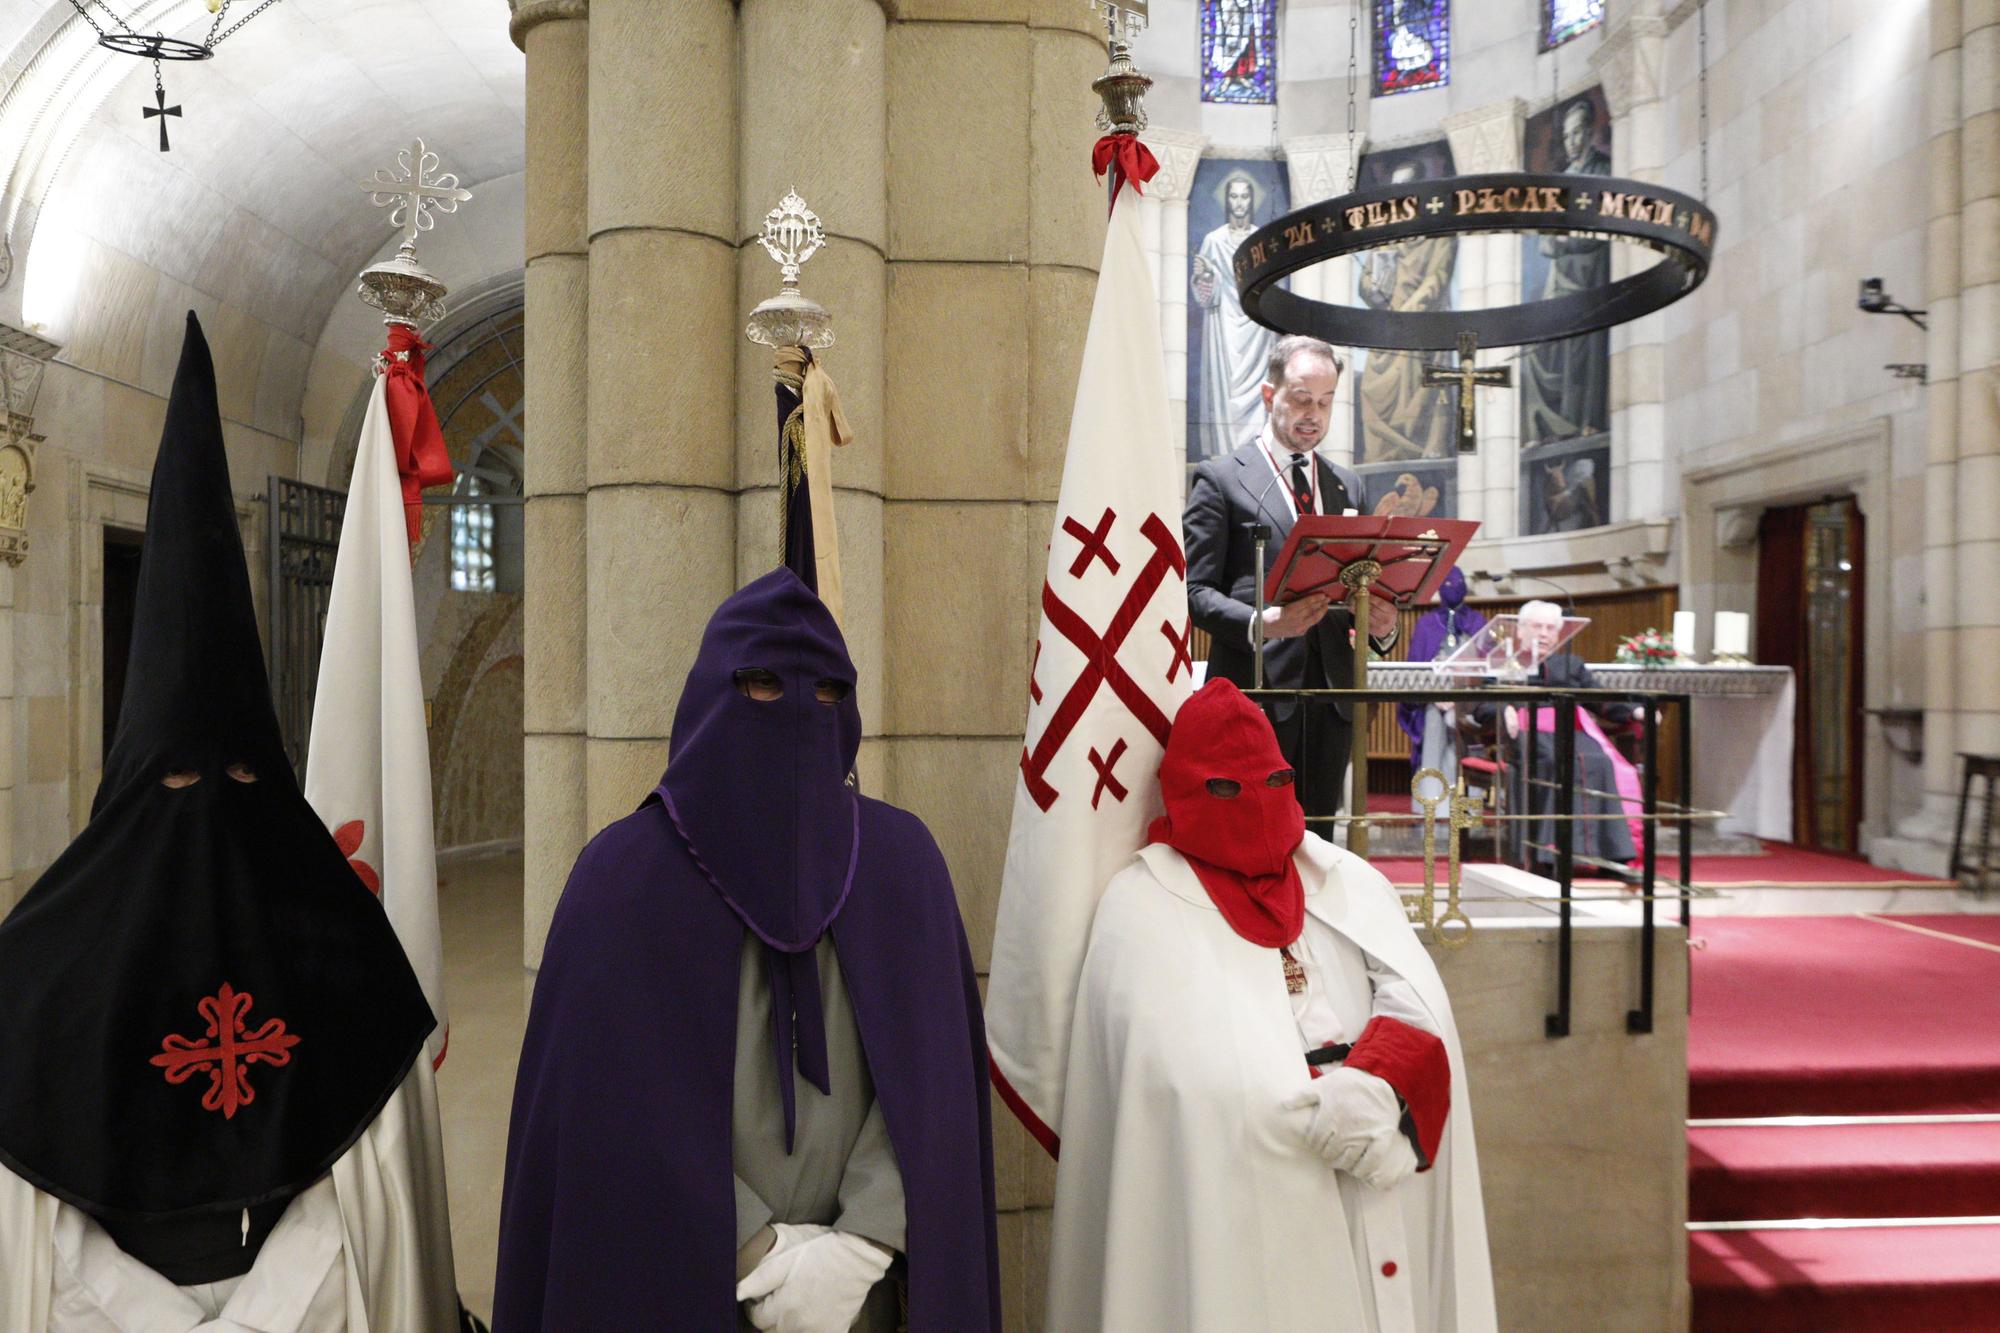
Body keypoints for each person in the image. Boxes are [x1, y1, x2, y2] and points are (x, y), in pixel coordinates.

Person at [0, 314, 458, 1330]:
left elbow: (378, 1199)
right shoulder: (33, 970)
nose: (209, 806)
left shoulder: (350, 951)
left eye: (244, 774)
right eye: (176, 782)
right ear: (127, 787)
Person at [494, 569, 1000, 1331]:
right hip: (682, 1283)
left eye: (827, 690)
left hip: (867, 1302)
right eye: (762, 683)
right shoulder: (622, 884)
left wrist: (863, 1245)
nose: (799, 709)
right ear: (709, 695)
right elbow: (610, 1111)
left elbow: (934, 1092)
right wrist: (756, 1252)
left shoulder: (904, 868)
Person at [1045, 679, 1496, 1331]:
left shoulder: (1347, 879)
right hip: (1243, 1235)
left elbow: (1419, 999)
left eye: (1273, 780)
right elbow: (1172, 1085)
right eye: (1227, 788)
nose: (1255, 805)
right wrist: (1301, 1106)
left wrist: (1383, 1089)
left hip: (1378, 1189)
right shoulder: (1140, 907)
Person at [1186, 334, 1400, 828]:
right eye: (1302, 399)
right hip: (1254, 694)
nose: (1314, 414)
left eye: (1325, 402)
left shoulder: (1348, 484)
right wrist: (1265, 624)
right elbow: (1193, 594)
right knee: (1254, 834)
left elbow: (1360, 585)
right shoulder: (1220, 479)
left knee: (1321, 837)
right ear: (1269, 396)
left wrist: (1380, 624)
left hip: (1333, 700)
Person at [1476, 600, 1645, 865]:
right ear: (1520, 631)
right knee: (1552, 762)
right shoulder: (1503, 662)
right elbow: (1480, 702)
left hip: (1570, 731)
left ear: (1558, 634)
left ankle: (1611, 854)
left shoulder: (1570, 665)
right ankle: (1545, 853)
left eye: (1550, 628)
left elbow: (1599, 697)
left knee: (1600, 762)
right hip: (1526, 733)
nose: (1543, 633)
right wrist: (1502, 709)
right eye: (1537, 626)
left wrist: (1634, 711)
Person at [1520, 98, 1613, 443]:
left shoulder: (1603, 170)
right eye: (1567, 135)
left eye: (1578, 133)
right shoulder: (1563, 181)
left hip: (1590, 277)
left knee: (1581, 352)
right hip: (1561, 278)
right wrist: (1552, 241)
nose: (1572, 141)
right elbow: (1548, 235)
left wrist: (1564, 242)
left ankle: (1583, 422)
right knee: (1534, 352)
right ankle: (1545, 428)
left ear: (1590, 133)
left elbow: (1600, 230)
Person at [1357, 161, 1458, 464]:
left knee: (1417, 386)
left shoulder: (1439, 234)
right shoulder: (1385, 237)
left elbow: (1437, 279)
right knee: (1369, 387)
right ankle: (1381, 458)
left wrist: (1409, 310)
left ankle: (1419, 452)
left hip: (1420, 328)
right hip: (1389, 328)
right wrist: (1373, 292)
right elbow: (1365, 282)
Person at [1190, 174, 1279, 462]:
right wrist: (1204, 275)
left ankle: (1258, 455)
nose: (1239, 202)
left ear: (1252, 201)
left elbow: (1271, 288)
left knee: (1260, 389)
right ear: (1227, 201)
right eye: (1234, 196)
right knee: (1224, 391)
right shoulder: (1213, 241)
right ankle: (1226, 456)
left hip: (1256, 328)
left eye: (1244, 196)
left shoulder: (1260, 242)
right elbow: (1205, 298)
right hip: (1223, 326)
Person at [1398, 568, 1488, 815]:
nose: (1453, 587)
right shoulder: (1427, 623)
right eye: (1447, 583)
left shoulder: (1478, 622)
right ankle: (1431, 804)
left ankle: (1467, 806)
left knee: (1466, 741)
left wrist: (1462, 697)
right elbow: (1416, 665)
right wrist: (1435, 696)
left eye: (1458, 583)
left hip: (1468, 701)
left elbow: (1486, 666)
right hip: (1433, 700)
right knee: (1433, 729)